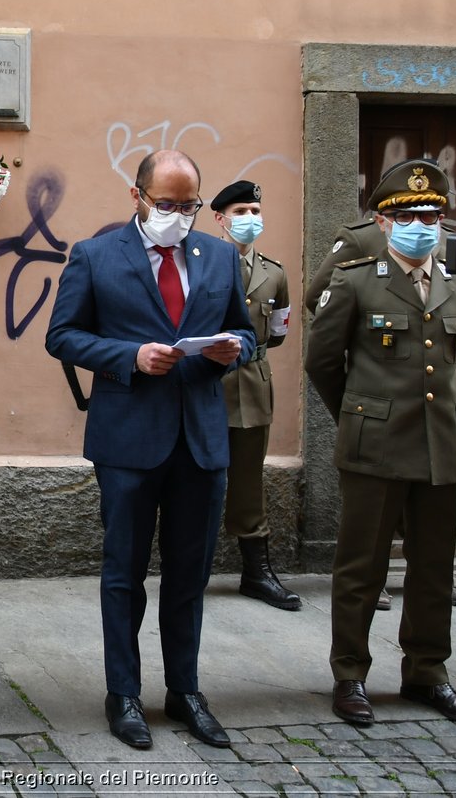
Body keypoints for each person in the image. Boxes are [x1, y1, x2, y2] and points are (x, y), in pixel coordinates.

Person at [45, 149, 255, 751]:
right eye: (167, 204)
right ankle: (124, 693)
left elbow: (248, 332)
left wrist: (232, 349)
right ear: (135, 196)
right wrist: (129, 357)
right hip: (128, 439)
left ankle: (185, 691)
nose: (179, 216)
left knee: (189, 575)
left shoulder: (217, 255)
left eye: (189, 206)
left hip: (201, 440)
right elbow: (61, 336)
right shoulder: (94, 255)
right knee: (125, 574)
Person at [306, 159, 456, 728]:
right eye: (407, 215)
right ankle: (350, 675)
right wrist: (362, 416)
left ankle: (428, 673)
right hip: (376, 447)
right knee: (361, 566)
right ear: (384, 224)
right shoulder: (356, 280)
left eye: (431, 215)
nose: (421, 224)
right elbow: (322, 362)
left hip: (441, 446)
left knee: (433, 567)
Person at [210, 180, 299, 610]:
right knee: (197, 477)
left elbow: (278, 332)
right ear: (219, 220)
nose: (250, 219)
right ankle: (189, 568)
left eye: (255, 211)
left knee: (249, 480)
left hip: (253, 383)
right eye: (240, 211)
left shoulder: (275, 272)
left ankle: (257, 572)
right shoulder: (202, 262)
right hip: (207, 384)